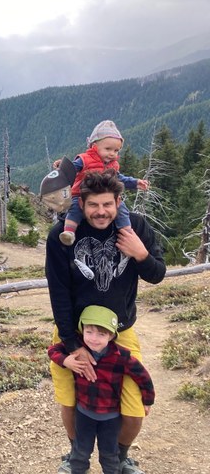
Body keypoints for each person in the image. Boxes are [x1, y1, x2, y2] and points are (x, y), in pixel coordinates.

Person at [46, 169, 166, 474]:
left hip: (120, 331)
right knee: (71, 399)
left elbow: (156, 274)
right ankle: (76, 454)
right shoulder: (64, 235)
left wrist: (141, 254)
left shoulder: (135, 227)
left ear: (118, 202)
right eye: (93, 205)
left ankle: (120, 456)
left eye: (107, 205)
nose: (101, 212)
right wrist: (73, 346)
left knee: (134, 407)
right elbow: (58, 292)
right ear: (82, 205)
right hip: (73, 332)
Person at [48, 305, 155, 474]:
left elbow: (143, 377)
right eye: (89, 332)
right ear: (82, 330)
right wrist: (65, 360)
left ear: (112, 335)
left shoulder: (122, 356)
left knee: (110, 455)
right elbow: (53, 350)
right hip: (84, 413)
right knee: (80, 452)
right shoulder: (78, 346)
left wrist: (148, 400)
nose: (93, 339)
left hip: (111, 417)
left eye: (101, 334)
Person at [57, 120, 149, 246]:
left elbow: (119, 178)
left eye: (116, 151)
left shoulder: (113, 165)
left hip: (106, 195)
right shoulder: (84, 159)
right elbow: (71, 170)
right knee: (75, 209)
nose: (112, 154)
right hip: (80, 194)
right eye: (108, 149)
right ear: (94, 146)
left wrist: (135, 183)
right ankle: (69, 232)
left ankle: (127, 233)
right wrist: (62, 167)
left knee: (121, 208)